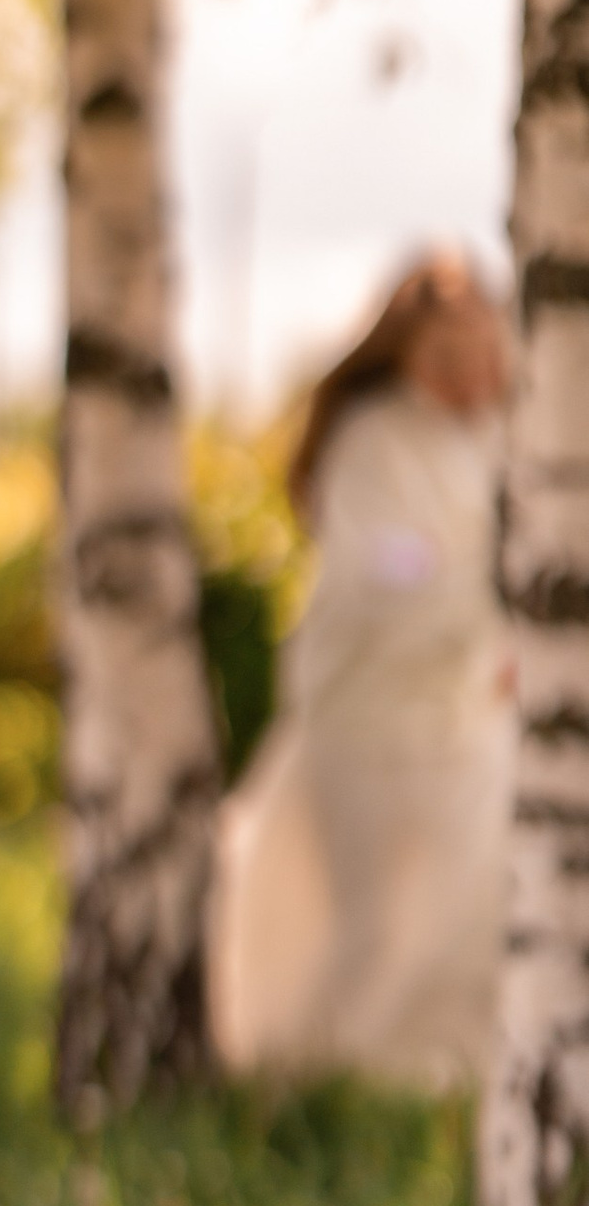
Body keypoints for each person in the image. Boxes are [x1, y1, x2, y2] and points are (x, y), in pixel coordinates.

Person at [212, 251, 511, 1090]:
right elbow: (386, 563)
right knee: (375, 922)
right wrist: (479, 583)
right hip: (369, 722)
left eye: (483, 352)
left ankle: (432, 1080)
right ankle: (327, 1081)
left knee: (466, 911)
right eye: (447, 357)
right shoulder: (373, 440)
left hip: (462, 716)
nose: (468, 376)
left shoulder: (495, 441)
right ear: (404, 355)